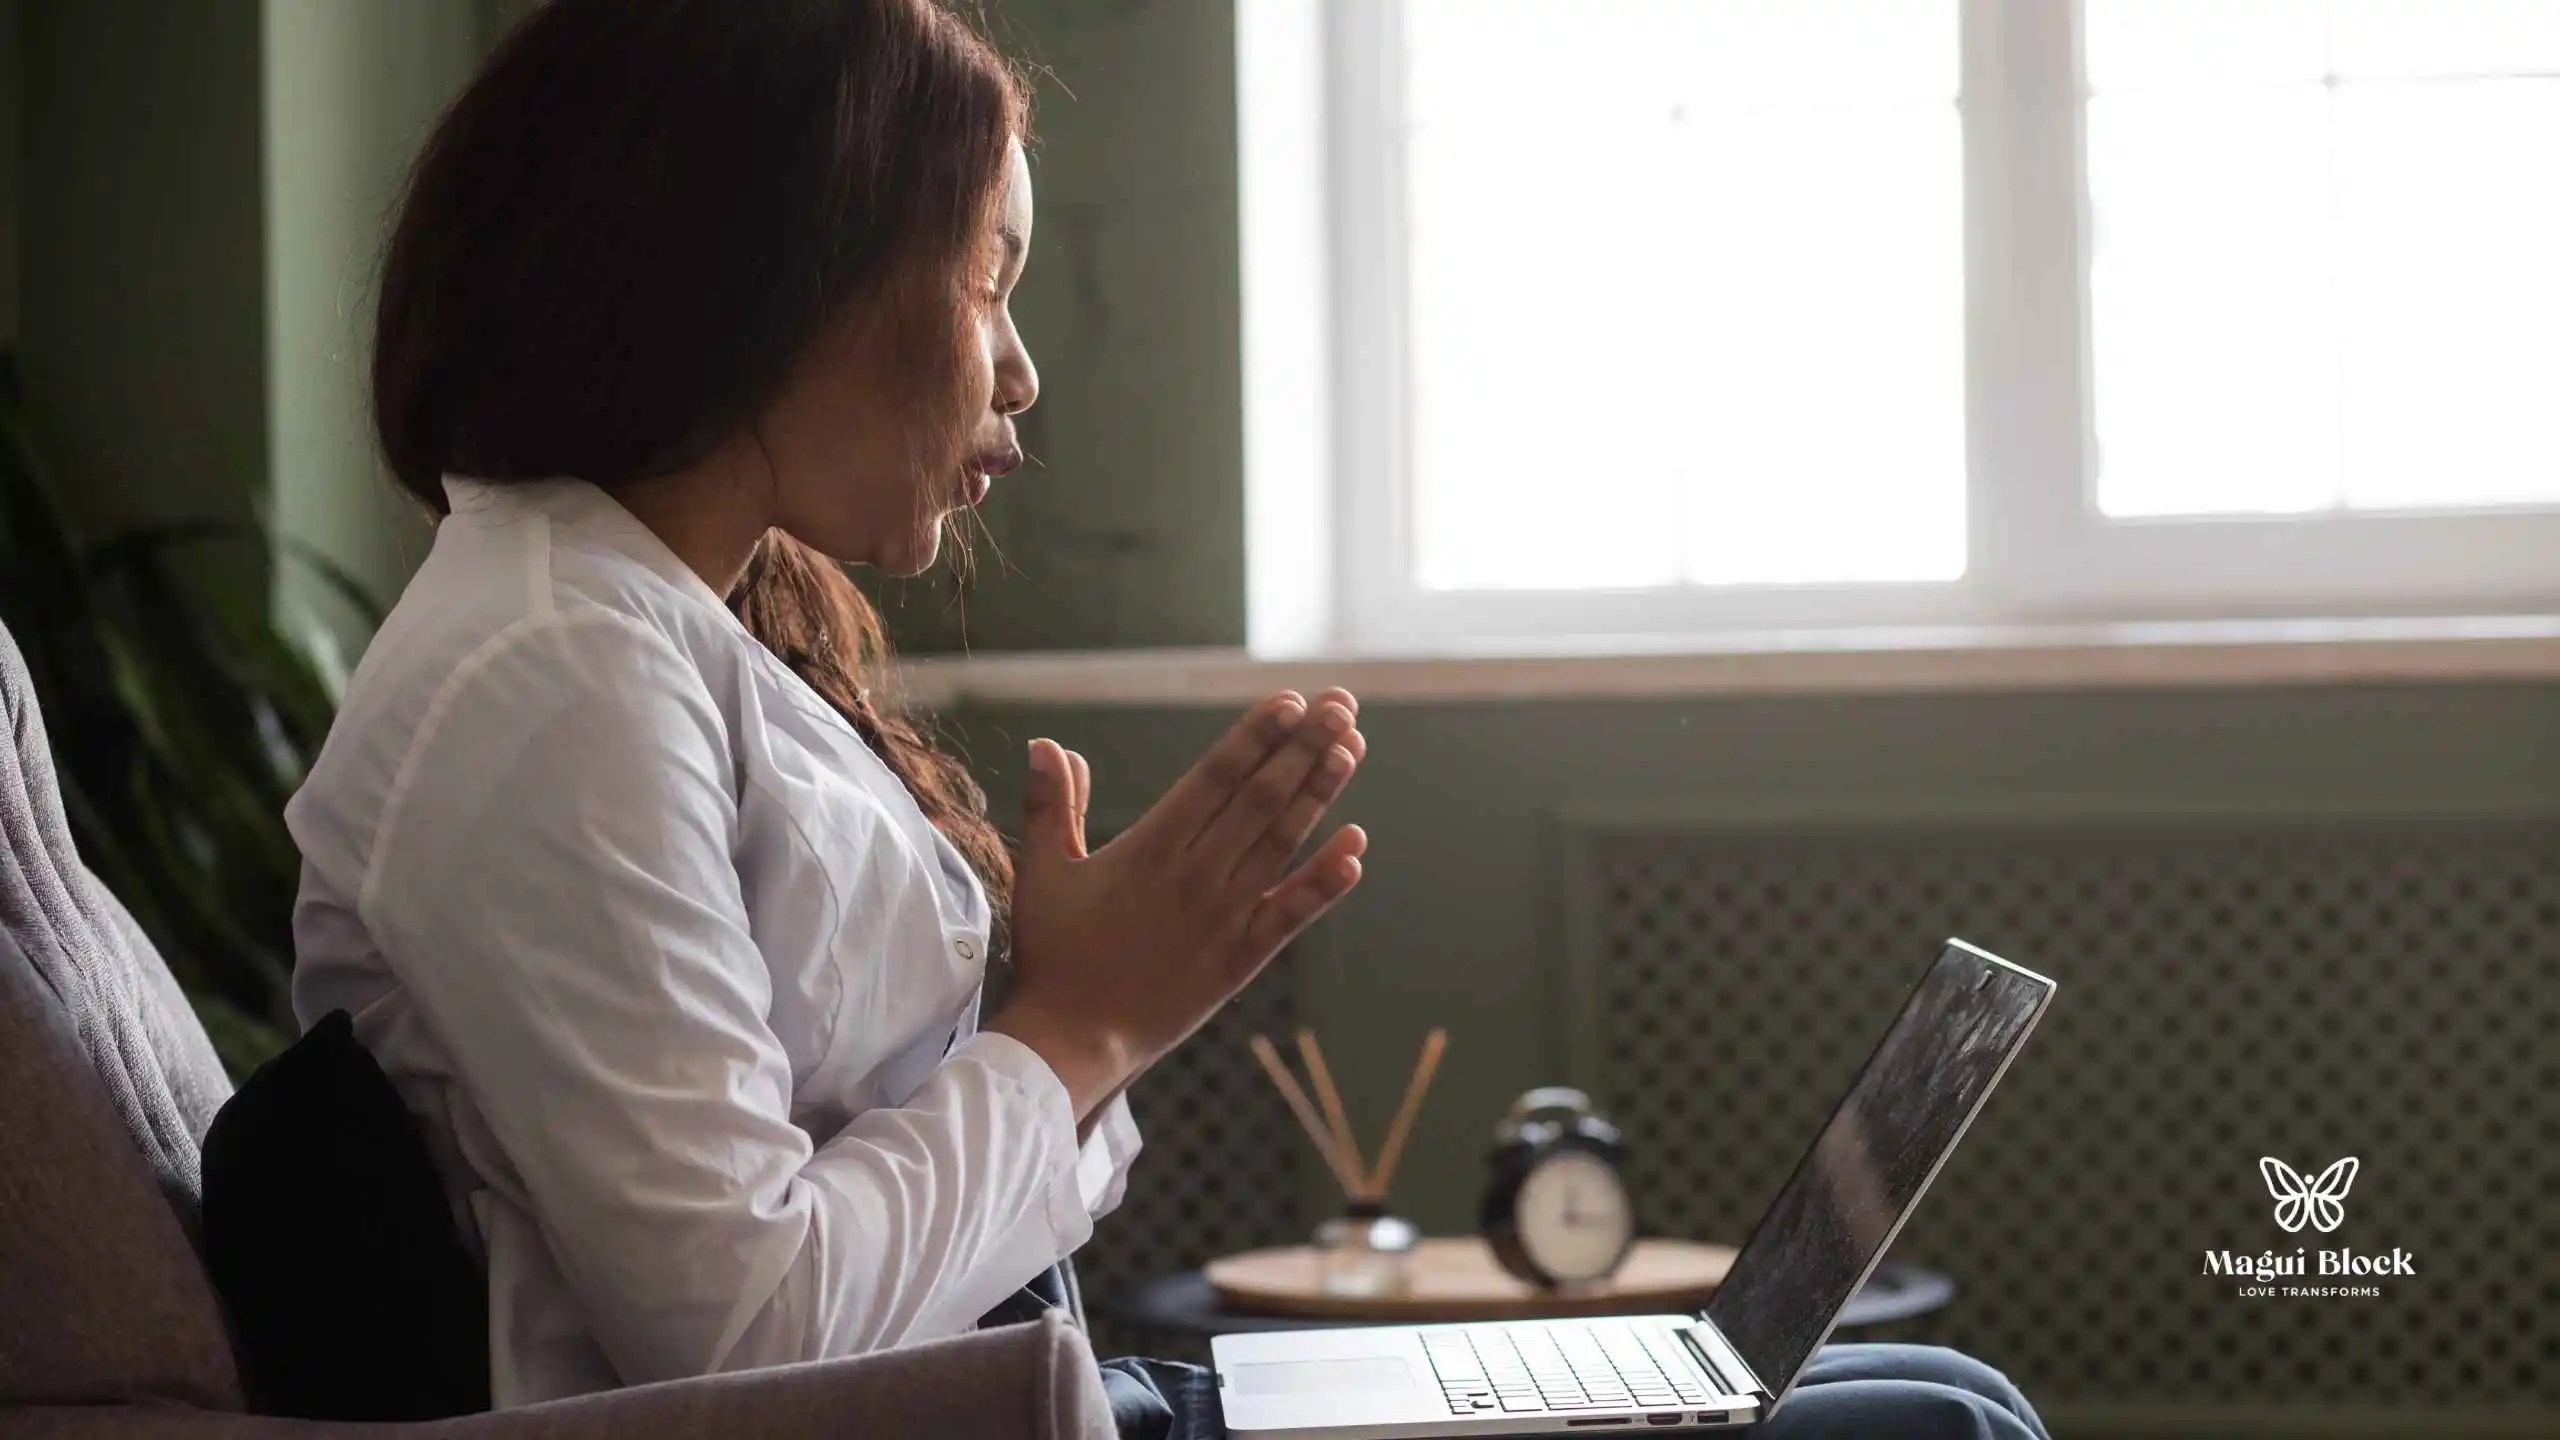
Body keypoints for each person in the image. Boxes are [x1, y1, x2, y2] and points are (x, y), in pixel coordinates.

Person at [286, 3, 2051, 1437]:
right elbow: (750, 1338)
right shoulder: (548, 677)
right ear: (776, 273)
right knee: (1940, 1428)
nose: (1023, 366)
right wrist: (1084, 1026)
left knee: (1935, 1389)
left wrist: (1074, 1020)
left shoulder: (648, 634)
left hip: (1040, 1393)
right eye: (988, 278)